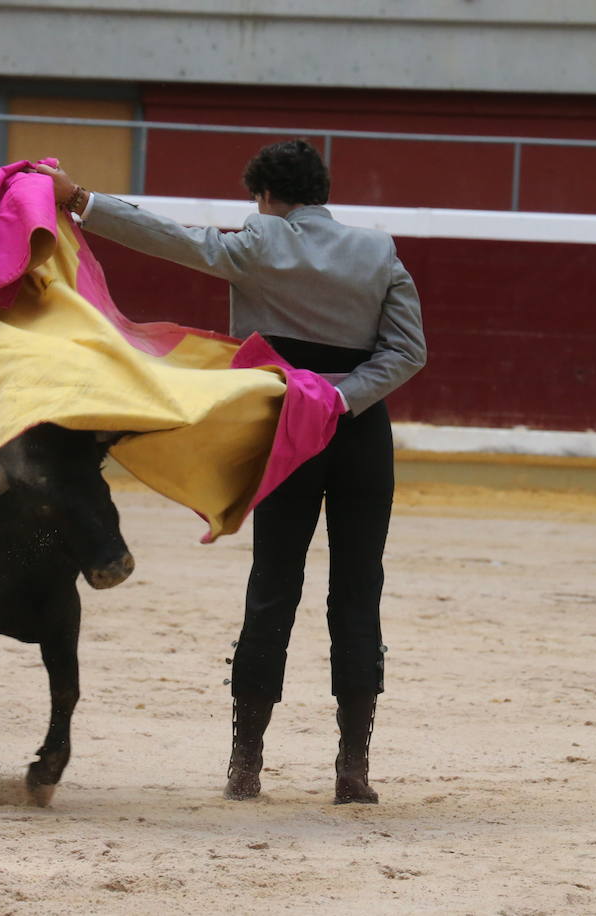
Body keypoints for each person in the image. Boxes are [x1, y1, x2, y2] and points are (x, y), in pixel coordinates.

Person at [34, 140, 426, 805]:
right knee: (359, 590)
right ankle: (352, 770)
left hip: (286, 433)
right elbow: (408, 352)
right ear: (319, 193)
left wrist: (79, 201)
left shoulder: (259, 241)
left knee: (274, 583)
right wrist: (345, 396)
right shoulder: (377, 253)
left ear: (267, 197)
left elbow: (171, 239)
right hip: (362, 434)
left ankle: (247, 766)